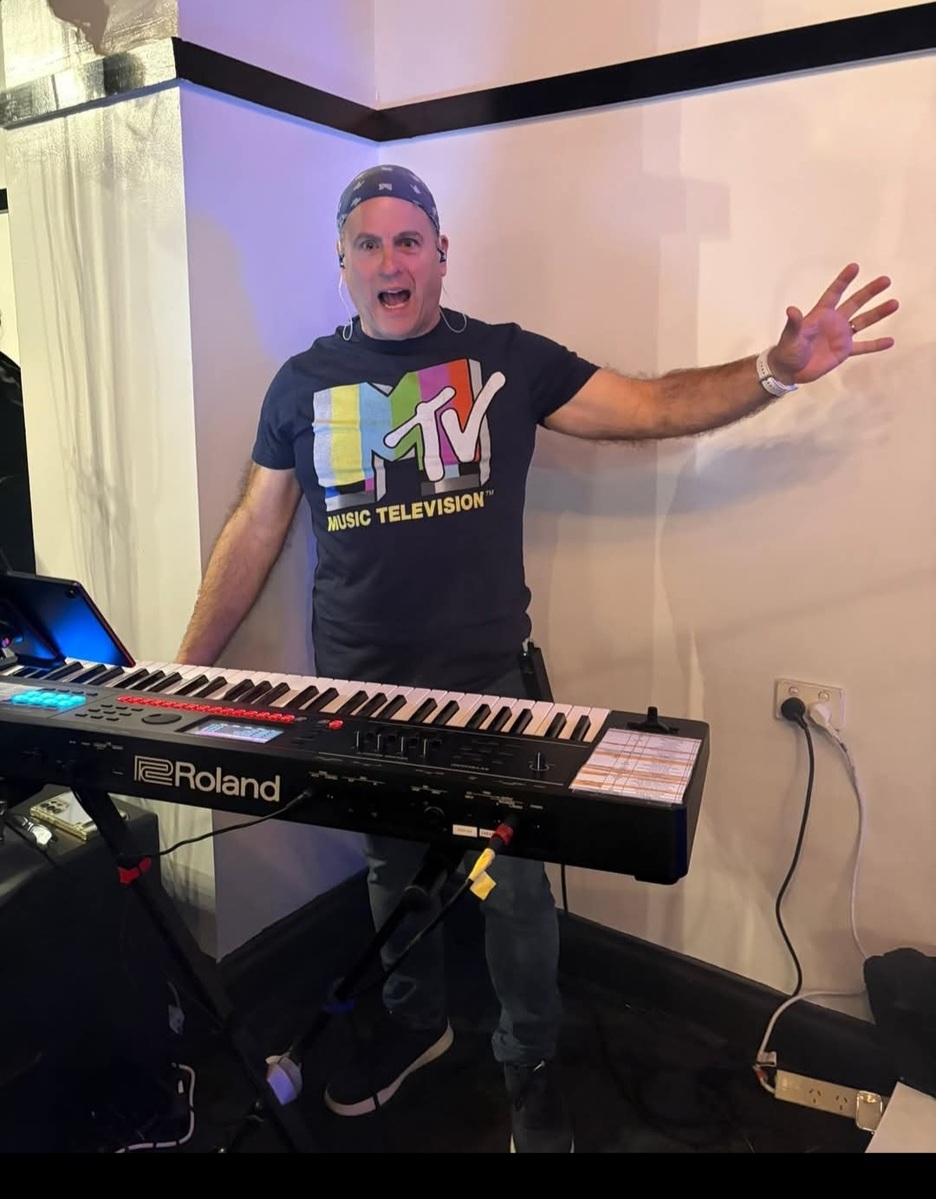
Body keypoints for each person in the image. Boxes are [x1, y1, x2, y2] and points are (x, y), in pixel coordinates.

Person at [176, 164, 898, 1153]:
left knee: (514, 891)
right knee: (390, 868)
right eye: (367, 244)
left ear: (441, 253)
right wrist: (181, 673)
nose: (389, 261)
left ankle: (533, 1065)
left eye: (408, 240)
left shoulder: (505, 359)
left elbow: (650, 406)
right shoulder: (301, 382)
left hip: (489, 689)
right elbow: (255, 529)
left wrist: (773, 369)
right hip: (358, 691)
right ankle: (418, 1022)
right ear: (341, 263)